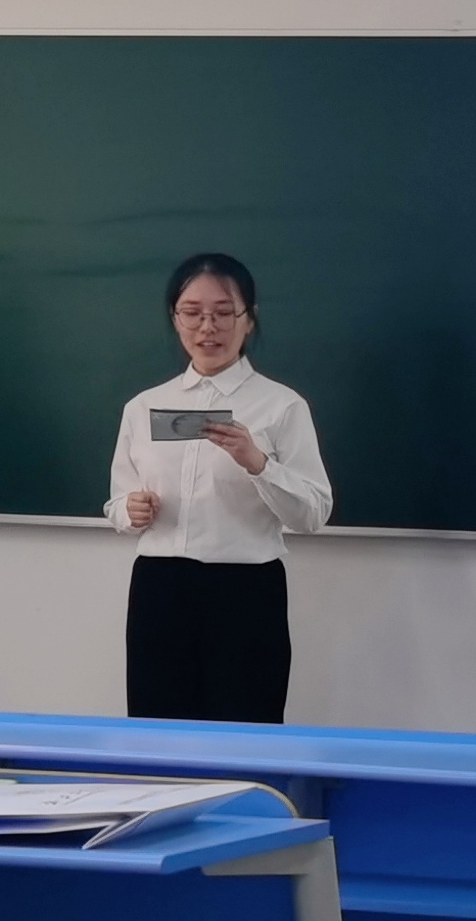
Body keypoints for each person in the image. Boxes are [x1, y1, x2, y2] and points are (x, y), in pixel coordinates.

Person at [105, 253, 332, 723]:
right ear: (175, 318)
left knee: (245, 731)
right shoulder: (143, 407)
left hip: (245, 591)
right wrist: (129, 510)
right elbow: (117, 502)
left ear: (249, 319)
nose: (207, 327)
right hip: (160, 588)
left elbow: (313, 513)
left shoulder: (281, 406)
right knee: (157, 732)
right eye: (192, 312)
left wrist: (259, 464)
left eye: (224, 312)